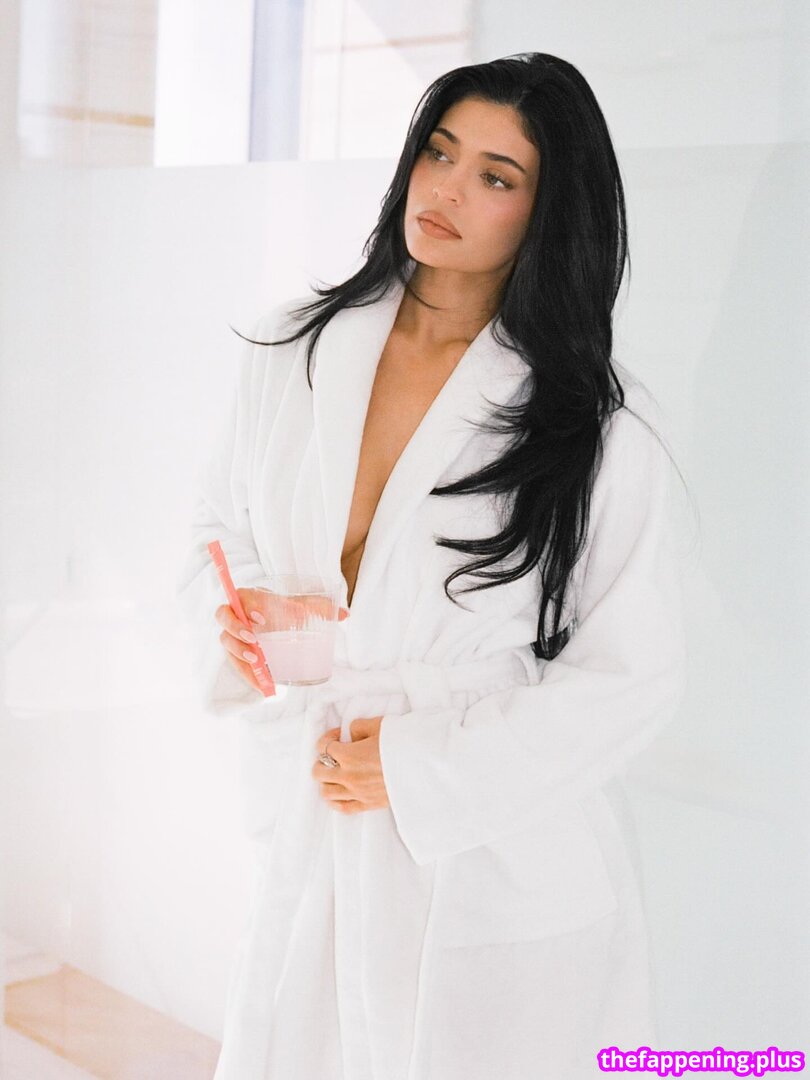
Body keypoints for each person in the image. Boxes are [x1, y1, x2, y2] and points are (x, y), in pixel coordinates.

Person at [176, 51, 688, 1080]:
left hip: (494, 856)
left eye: (496, 176)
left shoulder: (591, 422)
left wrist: (418, 773)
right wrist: (241, 621)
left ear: (548, 213)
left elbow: (635, 676)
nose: (447, 190)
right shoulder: (291, 350)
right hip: (319, 821)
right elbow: (217, 534)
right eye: (439, 153)